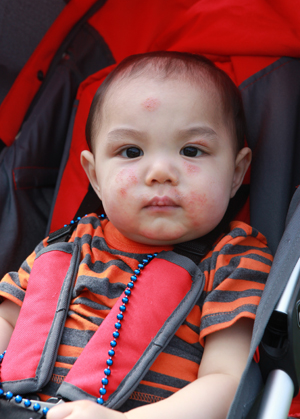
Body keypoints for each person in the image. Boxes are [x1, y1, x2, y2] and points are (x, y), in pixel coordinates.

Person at [0, 52, 273, 419]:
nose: (160, 171)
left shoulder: (233, 260)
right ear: (95, 176)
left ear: (237, 172)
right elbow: (7, 321)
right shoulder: (65, 245)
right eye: (131, 151)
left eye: (191, 150)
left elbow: (228, 380)